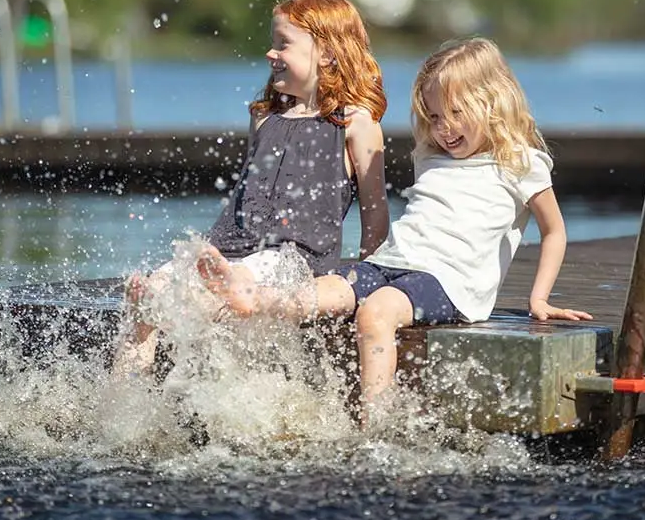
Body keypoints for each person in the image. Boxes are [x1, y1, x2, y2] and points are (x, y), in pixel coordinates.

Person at [198, 37, 592, 422]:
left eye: (455, 113)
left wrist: (539, 299)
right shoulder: (432, 158)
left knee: (376, 312)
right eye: (434, 117)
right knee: (327, 290)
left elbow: (553, 231)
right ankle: (253, 298)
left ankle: (376, 422)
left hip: (450, 281)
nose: (444, 128)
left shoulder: (520, 163)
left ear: (492, 104)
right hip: (394, 260)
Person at [113, 0, 389, 376]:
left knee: (216, 292)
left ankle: (184, 311)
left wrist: (366, 279)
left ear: (327, 54)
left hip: (293, 258)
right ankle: (125, 404)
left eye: (283, 45)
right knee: (147, 295)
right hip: (229, 250)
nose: (270, 54)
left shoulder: (356, 124)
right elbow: (254, 197)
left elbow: (375, 214)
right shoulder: (264, 118)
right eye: (272, 44)